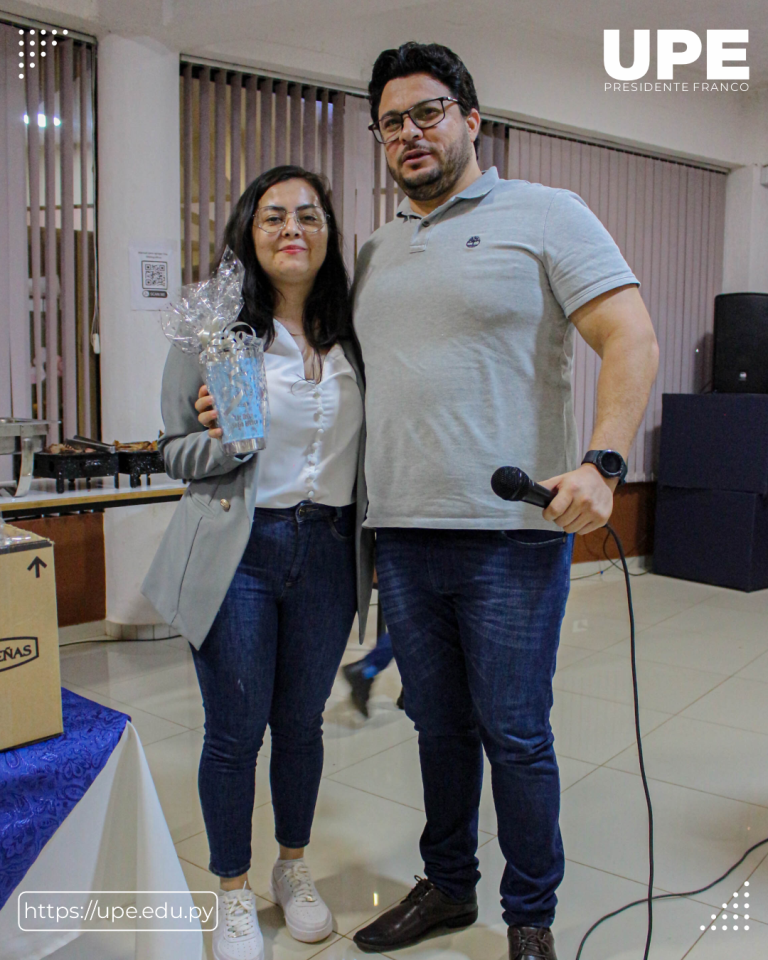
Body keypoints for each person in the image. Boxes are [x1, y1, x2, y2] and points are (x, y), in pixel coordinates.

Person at [350, 43, 659, 960]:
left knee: (515, 734)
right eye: (392, 121)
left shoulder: (546, 214)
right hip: (402, 532)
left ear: (471, 119)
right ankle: (448, 887)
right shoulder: (374, 249)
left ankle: (530, 917)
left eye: (429, 111)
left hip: (511, 535)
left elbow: (630, 337)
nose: (411, 132)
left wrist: (602, 463)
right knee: (435, 726)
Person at [142, 166, 374, 960]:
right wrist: (230, 441)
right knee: (235, 733)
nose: (292, 229)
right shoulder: (214, 334)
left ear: (329, 233)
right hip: (242, 552)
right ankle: (232, 891)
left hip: (331, 550)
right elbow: (173, 446)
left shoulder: (356, 332)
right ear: (249, 233)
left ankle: (294, 869)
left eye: (309, 215)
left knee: (301, 725)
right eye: (273, 216)